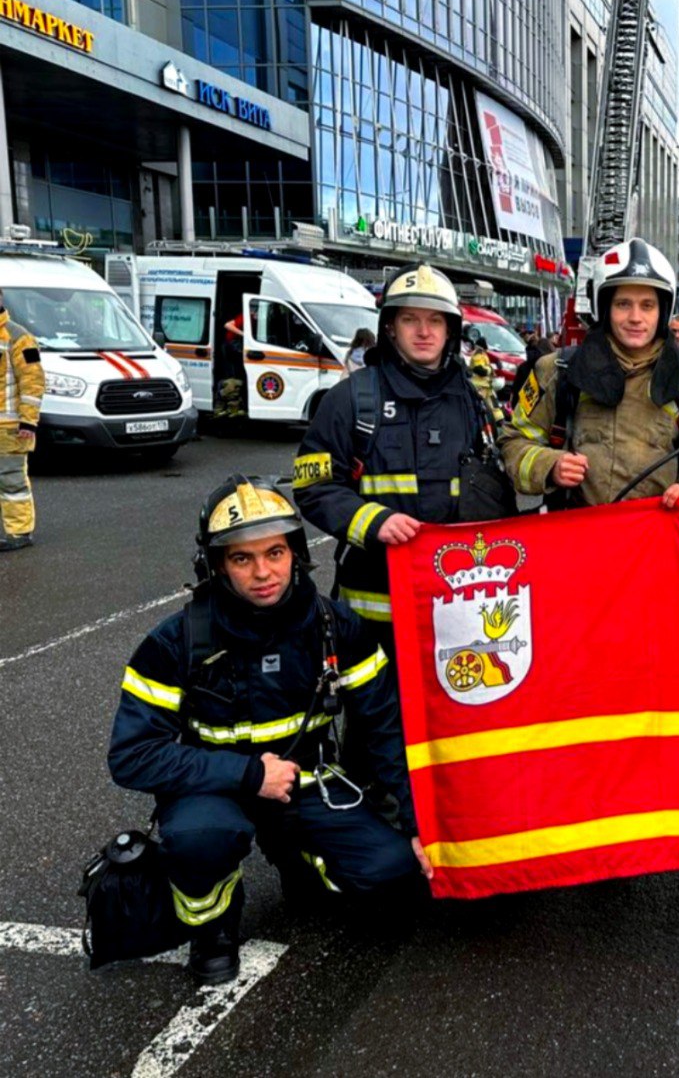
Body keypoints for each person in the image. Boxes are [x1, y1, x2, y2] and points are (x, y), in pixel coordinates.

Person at [108, 477, 428, 986]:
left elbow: (387, 730)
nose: (263, 573)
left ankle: (298, 862)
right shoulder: (176, 642)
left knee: (393, 878)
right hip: (212, 791)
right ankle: (212, 926)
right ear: (215, 565)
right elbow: (132, 756)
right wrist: (248, 774)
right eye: (242, 559)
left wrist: (419, 824)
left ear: (296, 553)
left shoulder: (336, 626)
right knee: (200, 840)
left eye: (275, 552)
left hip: (306, 785)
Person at [294, 263, 511, 644]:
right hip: (373, 617)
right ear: (390, 326)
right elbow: (314, 486)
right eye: (410, 319)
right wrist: (372, 521)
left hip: (458, 610)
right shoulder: (351, 398)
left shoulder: (473, 402)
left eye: (435, 321)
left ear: (450, 330)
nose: (424, 332)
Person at [500, 237, 679, 509]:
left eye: (647, 305)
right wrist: (550, 465)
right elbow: (513, 442)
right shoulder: (557, 372)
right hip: (579, 541)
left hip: (653, 544)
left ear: (663, 311)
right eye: (623, 304)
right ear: (604, 307)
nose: (636, 317)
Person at [0, 288, 44, 552]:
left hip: (9, 427)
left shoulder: (19, 337)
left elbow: (33, 381)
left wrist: (28, 422)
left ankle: (19, 532)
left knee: (11, 480)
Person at [216, 311, 249, 418]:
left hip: (233, 346)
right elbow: (227, 325)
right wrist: (244, 334)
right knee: (232, 378)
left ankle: (233, 407)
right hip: (230, 346)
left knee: (236, 378)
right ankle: (223, 404)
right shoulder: (246, 316)